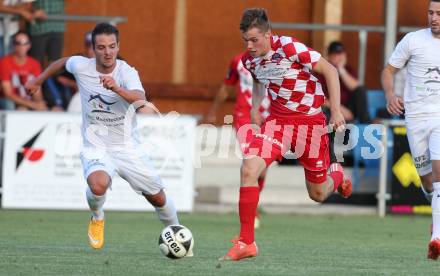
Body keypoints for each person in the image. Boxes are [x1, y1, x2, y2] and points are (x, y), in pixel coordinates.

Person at [25, 23, 180, 250]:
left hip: (127, 147)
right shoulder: (81, 66)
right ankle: (97, 216)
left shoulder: (127, 72)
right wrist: (38, 80)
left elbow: (139, 99)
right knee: (98, 185)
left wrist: (117, 89)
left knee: (157, 197)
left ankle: (177, 231)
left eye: (111, 46)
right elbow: (60, 63)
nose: (107, 52)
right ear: (93, 50)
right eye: (101, 47)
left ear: (118, 47)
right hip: (95, 145)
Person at [220, 8, 352, 261]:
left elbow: (330, 71)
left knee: (318, 194)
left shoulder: (289, 47)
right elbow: (260, 82)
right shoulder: (250, 60)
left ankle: (336, 176)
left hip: (310, 124)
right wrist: (256, 108)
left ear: (268, 34)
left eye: (254, 39)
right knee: (249, 169)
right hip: (278, 123)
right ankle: (247, 242)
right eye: (245, 40)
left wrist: (335, 111)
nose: (249, 46)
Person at [382, 0, 440, 260]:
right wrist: (390, 95)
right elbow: (388, 70)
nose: (434, 18)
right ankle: (436, 211)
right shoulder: (413, 40)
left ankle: (436, 237)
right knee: (427, 181)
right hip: (415, 118)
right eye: (431, 13)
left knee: (439, 173)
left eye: (439, 13)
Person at [207, 52, 271, 228]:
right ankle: (250, 212)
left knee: (263, 169)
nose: (251, 44)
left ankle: (253, 205)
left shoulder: (274, 60)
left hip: (270, 116)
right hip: (245, 116)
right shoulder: (237, 61)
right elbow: (227, 87)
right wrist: (214, 109)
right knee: (251, 161)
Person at [315, 41, 370, 123]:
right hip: (331, 109)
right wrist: (338, 109)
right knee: (325, 112)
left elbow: (357, 87)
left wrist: (341, 69)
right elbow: (319, 98)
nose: (338, 57)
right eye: (335, 54)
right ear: (329, 56)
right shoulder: (321, 73)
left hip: (349, 109)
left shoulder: (349, 69)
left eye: (340, 53)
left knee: (361, 90)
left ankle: (366, 124)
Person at [0, 31, 46, 110]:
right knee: (17, 108)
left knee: (43, 108)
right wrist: (32, 104)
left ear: (29, 45)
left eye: (25, 43)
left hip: (28, 100)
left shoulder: (35, 63)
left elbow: (37, 92)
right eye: (18, 43)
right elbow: (8, 93)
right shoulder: (4, 62)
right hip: (10, 101)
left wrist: (39, 103)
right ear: (14, 45)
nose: (21, 46)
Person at [28, 0, 65, 66]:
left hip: (57, 26)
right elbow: (26, 4)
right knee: (36, 62)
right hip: (39, 28)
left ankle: (54, 76)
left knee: (55, 62)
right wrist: (35, 11)